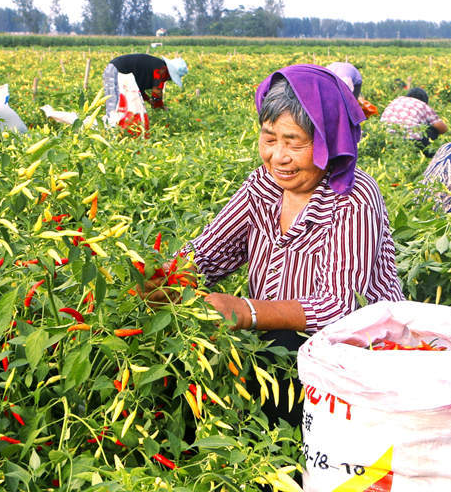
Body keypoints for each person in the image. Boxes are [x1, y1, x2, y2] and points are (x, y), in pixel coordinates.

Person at [145, 64, 404, 425]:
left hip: (353, 356)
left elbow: (341, 309)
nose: (278, 157)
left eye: (294, 142)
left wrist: (246, 312)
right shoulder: (264, 186)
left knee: (280, 359)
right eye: (269, 139)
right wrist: (160, 279)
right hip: (270, 342)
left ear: (328, 140)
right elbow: (206, 253)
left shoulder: (353, 196)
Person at [102, 53, 187, 121]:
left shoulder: (155, 66)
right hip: (117, 70)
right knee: (113, 104)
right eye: (170, 77)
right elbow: (157, 92)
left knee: (119, 104)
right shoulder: (161, 69)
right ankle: (111, 130)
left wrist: (149, 100)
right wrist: (159, 106)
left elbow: (139, 89)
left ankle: (115, 128)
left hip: (118, 70)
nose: (168, 79)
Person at [380, 87, 448, 149]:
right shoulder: (422, 105)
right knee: (432, 129)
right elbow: (442, 128)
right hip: (410, 141)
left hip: (385, 138)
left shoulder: (396, 100)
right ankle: (426, 153)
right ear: (424, 100)